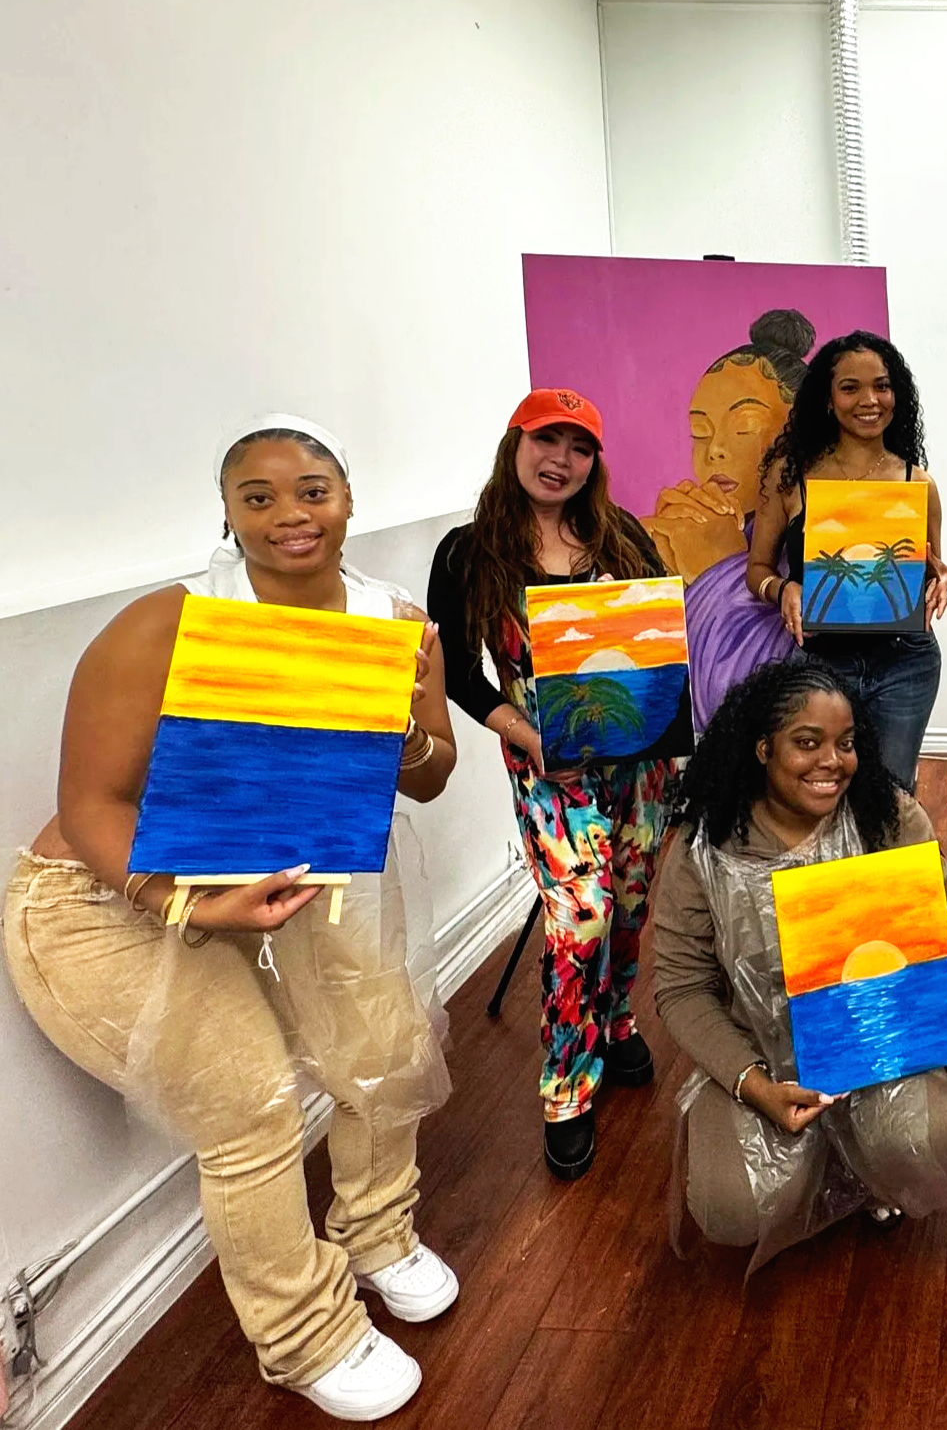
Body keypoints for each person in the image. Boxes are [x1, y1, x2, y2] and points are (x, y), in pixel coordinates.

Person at [4, 417, 459, 1421]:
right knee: (249, 1099)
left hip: (283, 875)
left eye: (311, 489)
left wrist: (413, 717)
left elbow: (428, 777)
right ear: (228, 515)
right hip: (105, 897)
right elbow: (89, 811)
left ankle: (378, 1231)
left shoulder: (387, 614)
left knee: (377, 1039)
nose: (289, 513)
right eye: (258, 497)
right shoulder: (167, 624)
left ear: (347, 500)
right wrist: (190, 900)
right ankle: (305, 1334)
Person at [650, 660, 947, 1267]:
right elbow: (680, 988)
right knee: (731, 1208)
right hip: (764, 1053)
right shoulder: (707, 847)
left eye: (847, 743)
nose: (833, 761)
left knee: (931, 1139)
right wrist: (754, 1085)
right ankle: (832, 1163)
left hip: (880, 1041)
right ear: (762, 749)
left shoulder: (888, 816)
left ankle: (867, 1167)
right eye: (807, 743)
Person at [426, 389, 676, 1181]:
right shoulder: (469, 551)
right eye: (545, 439)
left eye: (577, 445)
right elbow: (461, 674)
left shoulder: (622, 534)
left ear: (594, 463)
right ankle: (566, 1084)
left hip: (640, 761)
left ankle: (616, 1018)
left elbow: (656, 642)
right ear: (515, 444)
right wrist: (533, 740)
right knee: (583, 916)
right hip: (547, 763)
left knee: (631, 905)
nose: (559, 458)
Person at [744, 331, 947, 791]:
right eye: (850, 387)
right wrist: (784, 589)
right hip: (822, 660)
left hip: (907, 661)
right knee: (818, 790)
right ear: (827, 398)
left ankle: (889, 866)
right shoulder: (790, 476)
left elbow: (926, 567)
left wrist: (942, 576)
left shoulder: (917, 482)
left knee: (890, 790)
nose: (870, 400)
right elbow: (756, 571)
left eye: (882, 385)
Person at [652, 309, 811, 732]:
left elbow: (737, 712)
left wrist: (717, 569)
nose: (715, 449)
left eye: (745, 426)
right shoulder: (692, 527)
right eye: (700, 432)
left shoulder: (824, 531)